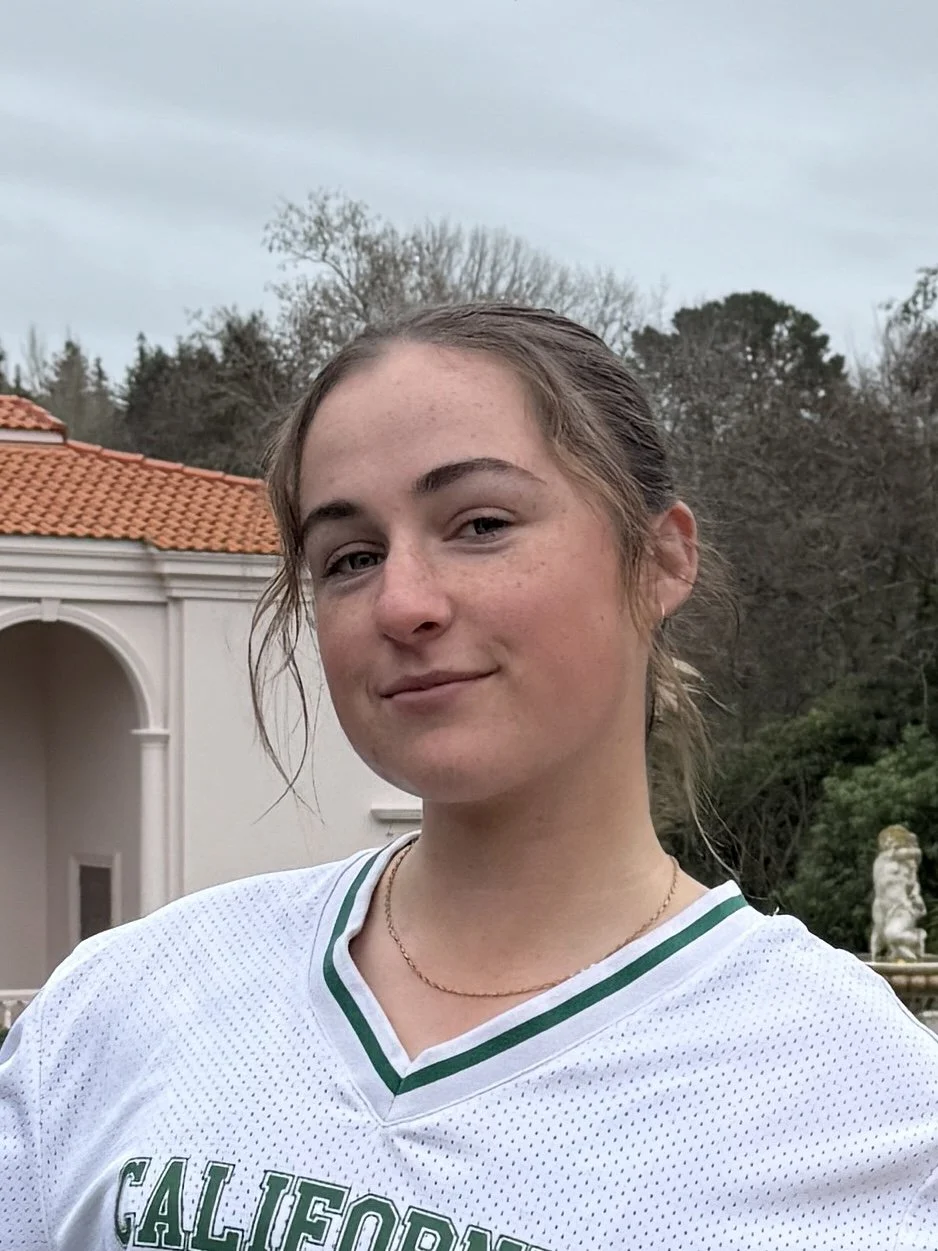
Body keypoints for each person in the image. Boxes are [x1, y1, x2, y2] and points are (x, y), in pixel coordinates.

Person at [2, 303, 937, 1250]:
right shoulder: (120, 1010)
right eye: (351, 557)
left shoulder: (867, 1109)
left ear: (659, 560)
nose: (402, 602)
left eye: (481, 523)